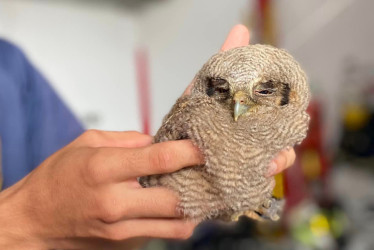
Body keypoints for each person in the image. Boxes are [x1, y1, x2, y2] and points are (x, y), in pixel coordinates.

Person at [0, 25, 296, 249]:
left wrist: (169, 187)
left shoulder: (9, 68)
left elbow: (96, 224)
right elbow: (48, 216)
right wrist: (26, 217)